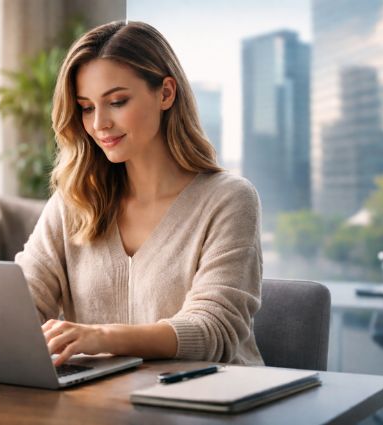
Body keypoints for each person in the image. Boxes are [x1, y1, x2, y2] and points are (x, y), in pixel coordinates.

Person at [15, 20, 263, 367]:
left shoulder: (229, 199)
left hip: (209, 406)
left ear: (166, 93)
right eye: (86, 107)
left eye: (116, 101)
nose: (99, 123)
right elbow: (21, 302)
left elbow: (212, 330)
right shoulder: (74, 201)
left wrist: (99, 337)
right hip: (102, 405)